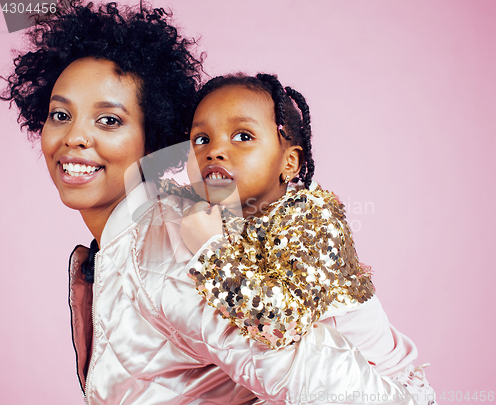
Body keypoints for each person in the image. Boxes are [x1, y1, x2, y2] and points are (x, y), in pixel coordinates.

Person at [0, 1, 426, 404]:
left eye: (109, 120)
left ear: (156, 137)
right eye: (60, 114)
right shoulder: (130, 241)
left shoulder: (174, 246)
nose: (74, 136)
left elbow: (338, 385)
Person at [177, 73, 436, 404]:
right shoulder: (232, 217)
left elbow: (277, 326)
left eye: (242, 136)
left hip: (380, 390)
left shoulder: (313, 221)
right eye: (201, 140)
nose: (214, 151)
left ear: (289, 162)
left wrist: (210, 251)